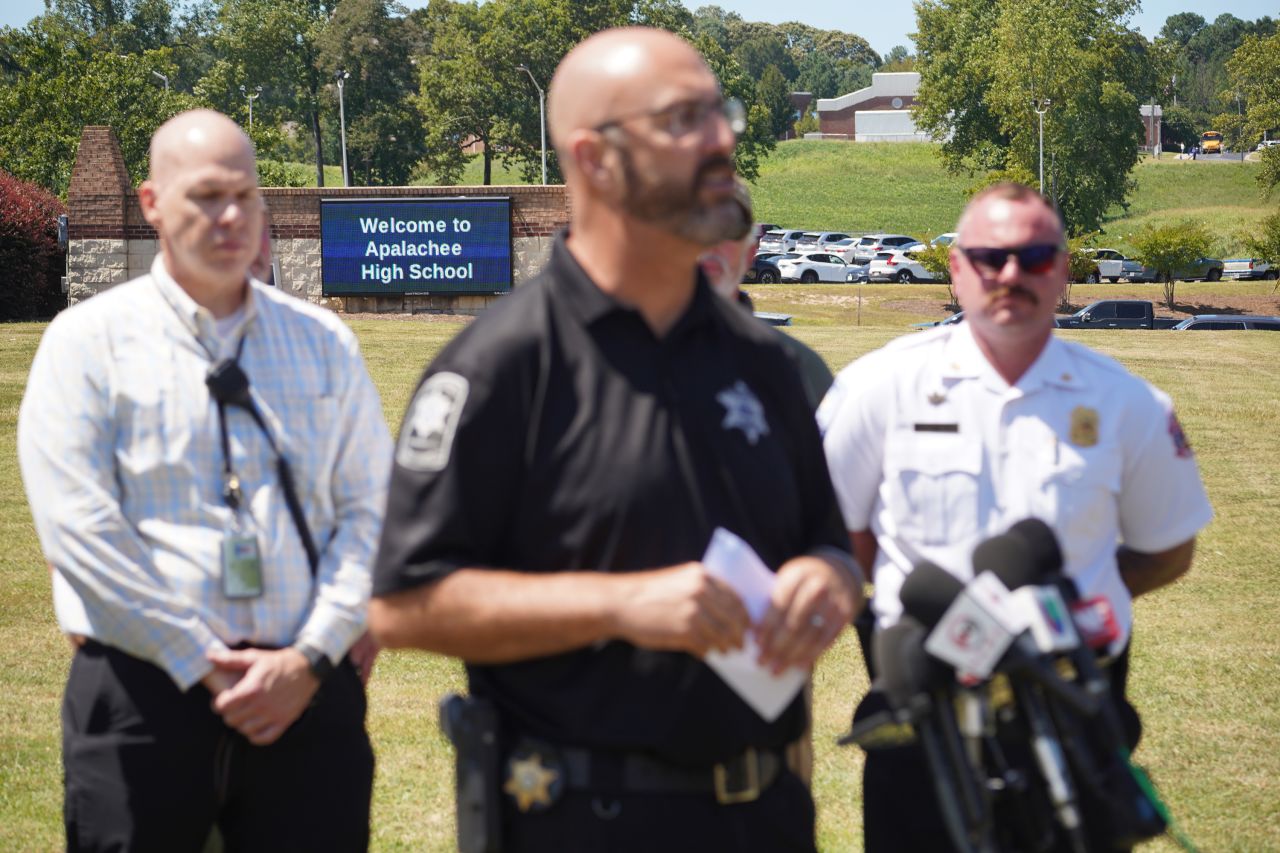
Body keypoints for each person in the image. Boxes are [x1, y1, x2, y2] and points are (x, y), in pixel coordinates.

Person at [369, 27, 863, 853]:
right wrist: (624, 605)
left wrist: (829, 578)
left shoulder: (767, 363)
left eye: (720, 112)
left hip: (768, 815)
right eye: (683, 119)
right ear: (594, 158)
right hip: (577, 820)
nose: (722, 138)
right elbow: (403, 602)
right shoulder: (500, 367)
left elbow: (829, 543)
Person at [18, 109, 391, 852]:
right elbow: (79, 530)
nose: (230, 216)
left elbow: (374, 513)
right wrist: (203, 663)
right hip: (144, 694)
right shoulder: (85, 344)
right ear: (153, 204)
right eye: (205, 196)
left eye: (245, 196)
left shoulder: (324, 343)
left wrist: (310, 654)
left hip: (306, 691)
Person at [818, 182, 1213, 851]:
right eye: (989, 257)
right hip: (922, 719)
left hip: (1075, 716)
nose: (1010, 274)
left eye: (1035, 257)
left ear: (1062, 269)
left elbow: (1166, 549)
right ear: (956, 269)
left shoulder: (1127, 404)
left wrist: (1078, 597)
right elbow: (842, 535)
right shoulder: (877, 389)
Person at [697, 183, 833, 411]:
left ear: (750, 253)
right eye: (693, 226)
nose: (711, 243)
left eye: (728, 229)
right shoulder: (623, 357)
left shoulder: (799, 369)